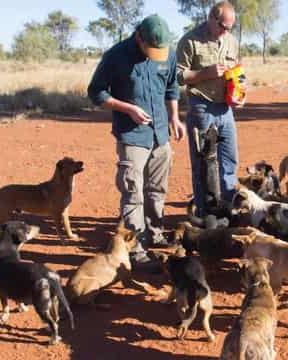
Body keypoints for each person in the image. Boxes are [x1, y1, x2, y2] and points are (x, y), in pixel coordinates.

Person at [87, 14, 185, 266]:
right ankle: (135, 246)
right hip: (132, 136)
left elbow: (172, 87)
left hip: (160, 133)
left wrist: (174, 117)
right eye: (151, 48)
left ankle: (155, 233)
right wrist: (126, 108)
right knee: (133, 192)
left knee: (157, 190)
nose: (156, 53)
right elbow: (96, 92)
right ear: (139, 37)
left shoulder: (167, 54)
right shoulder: (116, 56)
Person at [176, 1, 241, 214]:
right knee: (203, 163)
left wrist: (240, 93)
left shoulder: (231, 41)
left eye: (229, 28)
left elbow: (238, 72)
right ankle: (204, 214)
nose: (225, 32)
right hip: (201, 107)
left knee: (229, 161)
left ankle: (228, 211)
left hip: (225, 109)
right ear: (211, 18)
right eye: (222, 26)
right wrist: (205, 73)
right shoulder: (190, 41)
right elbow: (178, 76)